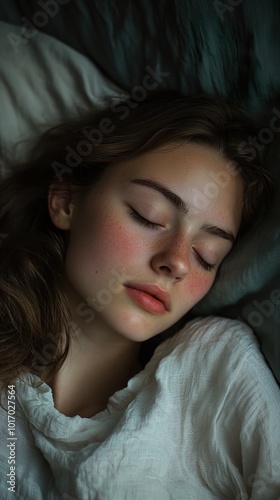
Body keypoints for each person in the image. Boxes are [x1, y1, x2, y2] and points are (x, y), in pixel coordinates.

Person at [0, 91, 280, 499]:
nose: (178, 262)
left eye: (207, 255)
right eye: (148, 216)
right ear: (66, 200)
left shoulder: (215, 368)